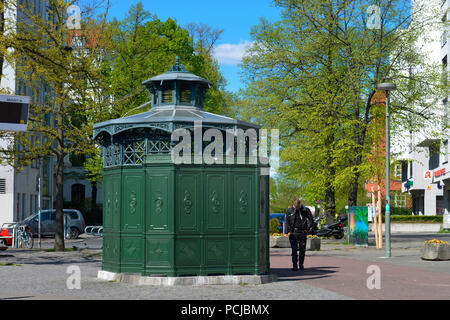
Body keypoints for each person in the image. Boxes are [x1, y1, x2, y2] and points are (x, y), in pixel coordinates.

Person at [284, 198, 313, 271]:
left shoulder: (305, 210)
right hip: (293, 232)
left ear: (299, 204)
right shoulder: (289, 210)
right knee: (294, 250)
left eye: (297, 207)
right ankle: (294, 265)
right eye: (295, 207)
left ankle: (301, 265)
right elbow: (287, 221)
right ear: (293, 205)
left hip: (302, 232)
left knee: (302, 250)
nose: (296, 208)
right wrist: (286, 232)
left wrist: (308, 229)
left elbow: (311, 220)